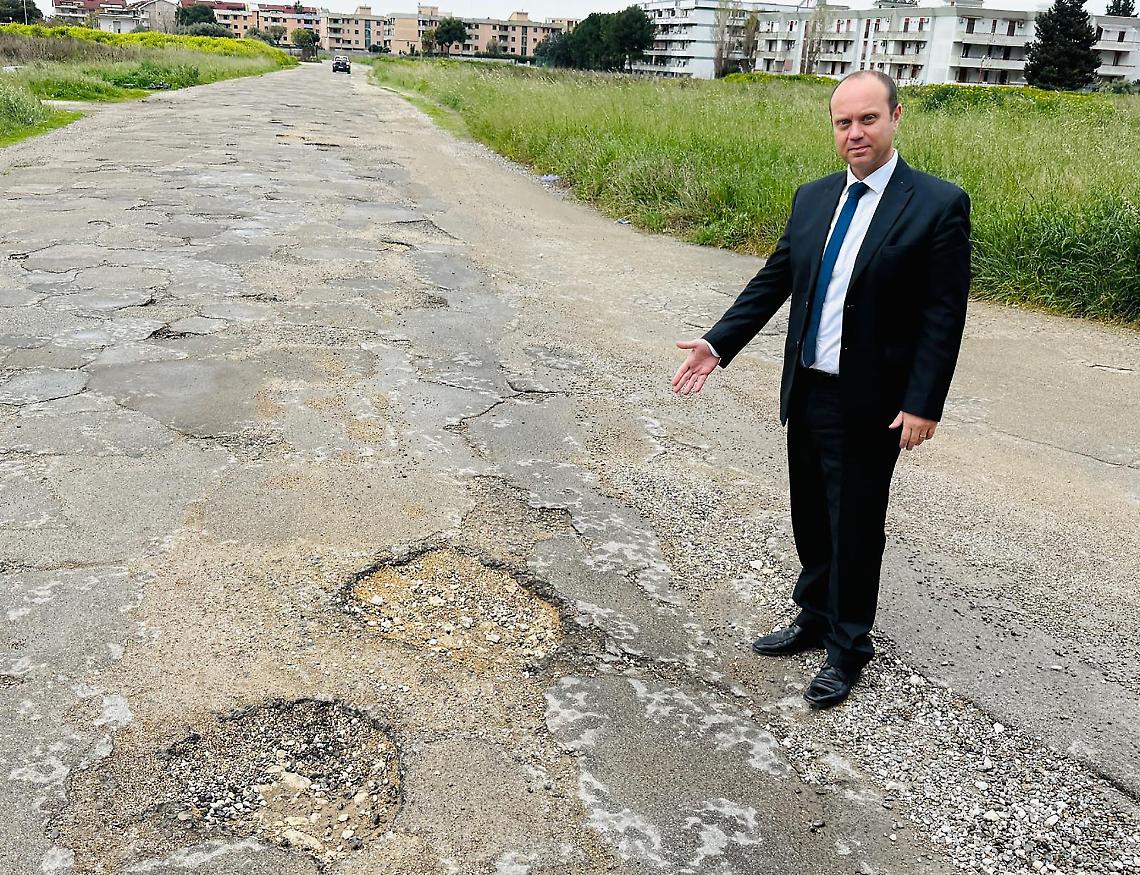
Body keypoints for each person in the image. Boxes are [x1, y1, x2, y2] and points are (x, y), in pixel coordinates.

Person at [672, 70, 971, 709]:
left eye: (867, 119)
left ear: (895, 118)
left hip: (873, 400)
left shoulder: (936, 204)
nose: (854, 133)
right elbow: (774, 278)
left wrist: (924, 402)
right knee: (811, 510)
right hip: (807, 387)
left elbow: (943, 314)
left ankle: (848, 645)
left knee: (857, 523)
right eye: (843, 123)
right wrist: (718, 344)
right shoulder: (813, 199)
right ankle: (812, 617)